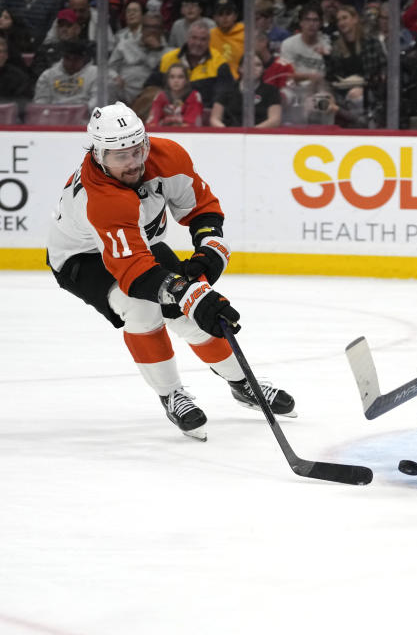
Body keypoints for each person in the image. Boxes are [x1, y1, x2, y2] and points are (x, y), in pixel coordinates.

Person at [46, 102, 295, 441]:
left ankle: (242, 383)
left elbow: (202, 208)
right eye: (121, 156)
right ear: (99, 155)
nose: (134, 162)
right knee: (142, 308)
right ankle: (171, 393)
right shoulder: (101, 197)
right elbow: (134, 272)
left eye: (138, 150)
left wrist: (210, 252)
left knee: (189, 312)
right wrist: (190, 293)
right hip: (83, 258)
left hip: (140, 244)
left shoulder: (167, 156)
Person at [326, 3, 386, 128]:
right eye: (338, 20)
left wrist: (365, 84)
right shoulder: (336, 47)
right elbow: (331, 76)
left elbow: (382, 69)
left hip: (369, 90)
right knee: (321, 100)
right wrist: (325, 57)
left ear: (355, 19)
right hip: (342, 91)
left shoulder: (371, 43)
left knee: (356, 96)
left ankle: (358, 127)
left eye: (345, 18)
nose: (341, 22)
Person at [152, 19, 234, 108]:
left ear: (209, 41)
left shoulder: (219, 62)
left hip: (204, 114)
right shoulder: (168, 59)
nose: (198, 43)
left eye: (203, 39)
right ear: (187, 38)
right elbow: (150, 86)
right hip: (168, 112)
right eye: (194, 38)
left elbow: (223, 95)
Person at [209, 52, 282, 127]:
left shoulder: (271, 91)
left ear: (263, 69)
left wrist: (253, 132)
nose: (252, 67)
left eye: (258, 65)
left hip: (260, 135)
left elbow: (275, 120)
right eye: (248, 64)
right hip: (229, 135)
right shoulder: (226, 90)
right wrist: (228, 132)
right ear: (240, 68)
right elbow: (214, 119)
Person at [109, 11, 167, 104]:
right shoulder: (125, 44)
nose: (152, 31)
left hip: (149, 93)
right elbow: (110, 68)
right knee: (109, 85)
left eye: (156, 27)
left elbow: (160, 75)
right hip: (124, 89)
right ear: (142, 28)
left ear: (162, 30)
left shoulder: (167, 52)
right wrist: (115, 76)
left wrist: (156, 50)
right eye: (148, 27)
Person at [32, 38, 98, 107]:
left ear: (84, 59)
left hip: (85, 116)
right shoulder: (48, 75)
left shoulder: (96, 74)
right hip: (53, 115)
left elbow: (96, 102)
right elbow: (41, 102)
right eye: (67, 58)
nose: (70, 63)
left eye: (76, 59)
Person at [145, 62, 203, 126]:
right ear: (167, 80)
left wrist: (166, 121)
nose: (176, 81)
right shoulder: (160, 96)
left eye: (180, 77)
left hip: (187, 134)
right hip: (164, 134)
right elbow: (152, 123)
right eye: (172, 77)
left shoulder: (194, 96)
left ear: (186, 80)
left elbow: (192, 124)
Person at [209, 0, 244, 79]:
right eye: (220, 14)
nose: (224, 17)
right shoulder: (210, 35)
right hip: (216, 79)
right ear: (214, 18)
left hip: (241, 79)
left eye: (228, 13)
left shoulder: (245, 33)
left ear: (235, 16)